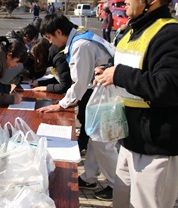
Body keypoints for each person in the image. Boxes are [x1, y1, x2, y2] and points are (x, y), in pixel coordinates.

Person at [94, 0, 178, 207]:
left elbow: (170, 88)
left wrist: (118, 74)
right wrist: (108, 70)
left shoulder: (172, 35)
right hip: (130, 141)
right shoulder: (132, 31)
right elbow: (133, 68)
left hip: (157, 149)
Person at [37, 14, 118, 201]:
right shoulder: (80, 37)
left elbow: (79, 83)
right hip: (100, 91)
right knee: (94, 138)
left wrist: (61, 104)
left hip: (105, 94)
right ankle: (89, 177)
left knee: (102, 141)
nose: (50, 42)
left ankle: (116, 184)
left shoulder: (81, 45)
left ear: (59, 32)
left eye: (50, 37)